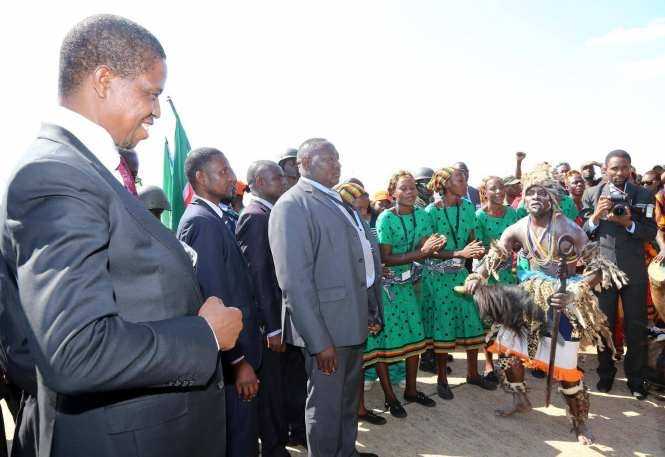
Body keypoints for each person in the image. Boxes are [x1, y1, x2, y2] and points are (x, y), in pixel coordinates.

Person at [0, 15, 243, 457]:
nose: (155, 110)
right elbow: (76, 351)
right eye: (151, 93)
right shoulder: (55, 174)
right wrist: (204, 334)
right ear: (104, 79)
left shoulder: (88, 171)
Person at [464, 163, 623, 445]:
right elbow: (496, 256)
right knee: (508, 353)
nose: (535, 198)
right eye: (530, 193)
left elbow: (599, 267)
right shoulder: (517, 228)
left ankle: (580, 422)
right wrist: (478, 274)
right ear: (523, 198)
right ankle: (520, 398)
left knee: (565, 366)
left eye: (541, 193)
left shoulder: (568, 228)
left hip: (561, 300)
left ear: (552, 197)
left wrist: (576, 291)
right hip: (527, 297)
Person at [269, 138, 382, 457]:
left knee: (346, 403)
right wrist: (319, 342)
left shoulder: (337, 200)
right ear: (303, 164)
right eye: (327, 159)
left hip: (351, 324)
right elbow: (294, 281)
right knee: (325, 407)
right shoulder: (292, 205)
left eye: (337, 159)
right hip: (326, 332)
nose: (337, 165)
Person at [177, 148, 262, 457]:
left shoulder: (216, 217)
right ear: (200, 177)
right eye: (223, 171)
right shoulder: (202, 223)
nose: (232, 177)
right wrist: (238, 362)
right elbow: (212, 297)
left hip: (238, 352)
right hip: (232, 359)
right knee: (238, 440)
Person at [363, 172, 443, 417]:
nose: (410, 192)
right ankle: (389, 397)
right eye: (403, 188)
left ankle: (410, 389)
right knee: (385, 343)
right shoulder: (386, 218)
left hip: (409, 286)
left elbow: (426, 246)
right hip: (388, 290)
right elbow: (385, 257)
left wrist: (434, 247)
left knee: (415, 339)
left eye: (412, 188)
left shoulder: (422, 215)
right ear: (393, 193)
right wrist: (422, 252)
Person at [582, 149, 657, 399]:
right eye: (614, 168)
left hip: (634, 271)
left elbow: (649, 231)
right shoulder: (592, 193)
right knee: (604, 324)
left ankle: (636, 379)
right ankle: (606, 373)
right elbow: (583, 232)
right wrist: (596, 216)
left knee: (635, 326)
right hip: (603, 271)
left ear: (630, 169)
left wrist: (628, 224)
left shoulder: (644, 194)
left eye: (624, 168)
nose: (619, 173)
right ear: (605, 169)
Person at [423, 167, 497, 400]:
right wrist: (460, 252)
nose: (466, 182)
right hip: (438, 278)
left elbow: (472, 240)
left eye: (465, 178)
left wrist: (478, 250)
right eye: (460, 179)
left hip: (461, 275)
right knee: (444, 326)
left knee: (473, 321)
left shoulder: (467, 208)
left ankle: (473, 374)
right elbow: (428, 252)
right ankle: (442, 380)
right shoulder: (430, 212)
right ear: (446, 184)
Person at [236, 160, 291, 457]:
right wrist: (272, 326)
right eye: (277, 177)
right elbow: (258, 275)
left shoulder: (269, 213)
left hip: (278, 318)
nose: (283, 182)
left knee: (279, 388)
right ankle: (273, 448)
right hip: (267, 325)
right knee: (270, 391)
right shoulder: (255, 217)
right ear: (257, 180)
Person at [332, 182, 389, 425]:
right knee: (347, 373)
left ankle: (359, 412)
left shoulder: (363, 226)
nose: (363, 214)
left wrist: (373, 310)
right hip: (346, 307)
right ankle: (355, 412)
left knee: (359, 364)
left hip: (366, 299)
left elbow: (371, 270)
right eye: (358, 209)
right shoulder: (337, 230)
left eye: (366, 211)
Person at [475, 176, 519, 382]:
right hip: (488, 273)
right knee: (489, 320)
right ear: (486, 191)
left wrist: (512, 249)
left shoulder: (513, 213)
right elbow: (476, 249)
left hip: (509, 274)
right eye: (494, 189)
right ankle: (489, 363)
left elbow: (519, 241)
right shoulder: (479, 216)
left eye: (502, 188)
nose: (499, 192)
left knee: (508, 320)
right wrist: (494, 253)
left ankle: (506, 360)